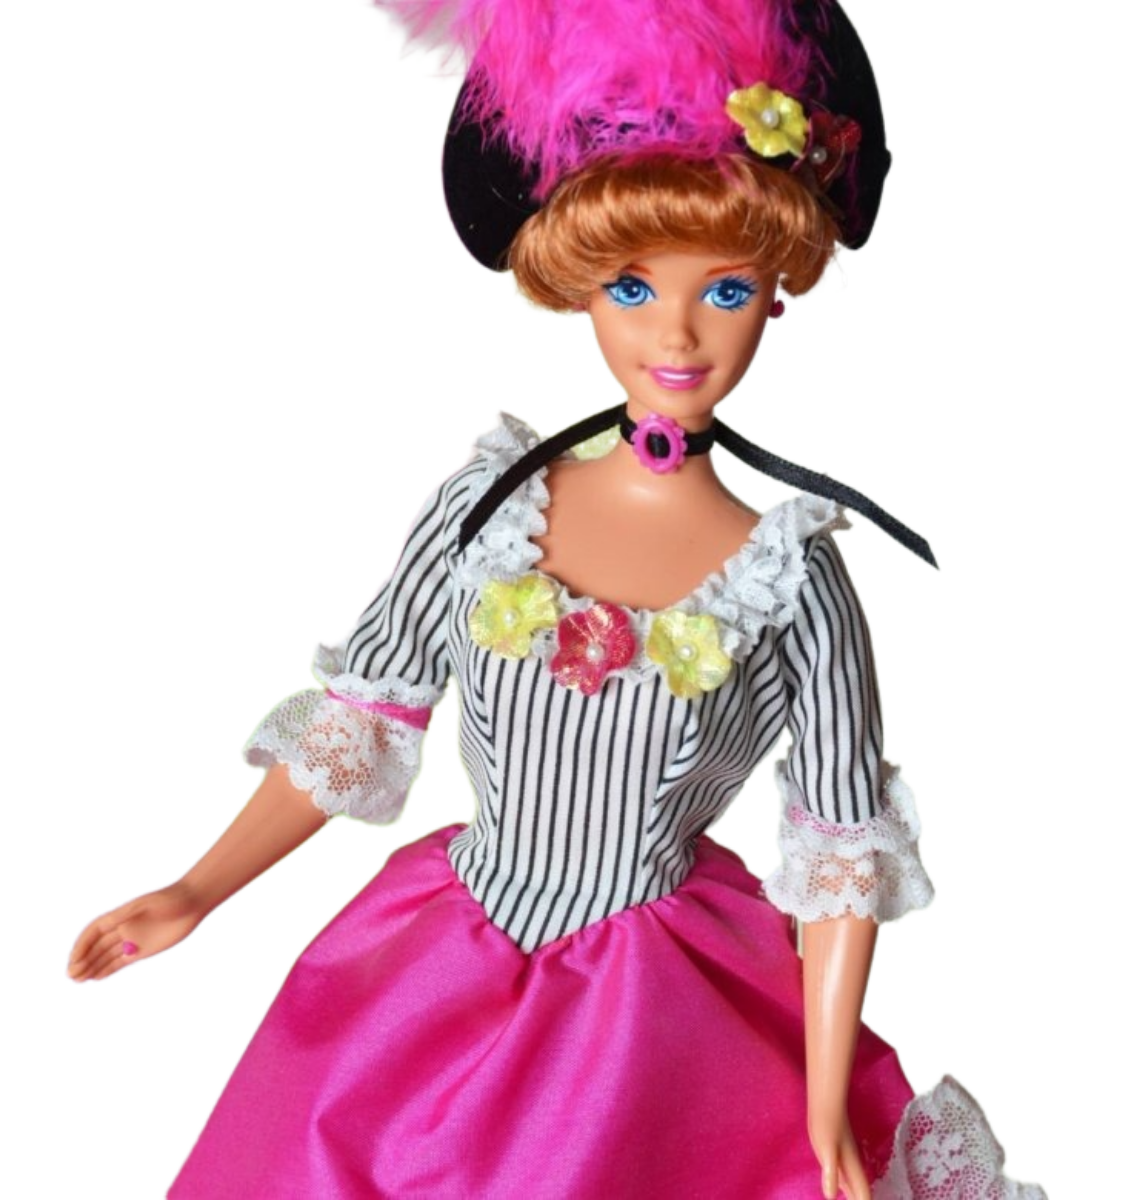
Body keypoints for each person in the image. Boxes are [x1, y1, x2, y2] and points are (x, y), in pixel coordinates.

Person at [68, 1, 1045, 1196]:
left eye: (725, 292)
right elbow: (363, 720)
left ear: (775, 294)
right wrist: (196, 889)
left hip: (650, 1017)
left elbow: (838, 847)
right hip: (435, 975)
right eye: (632, 288)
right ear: (582, 288)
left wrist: (826, 1099)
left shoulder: (790, 579)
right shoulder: (489, 511)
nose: (676, 332)